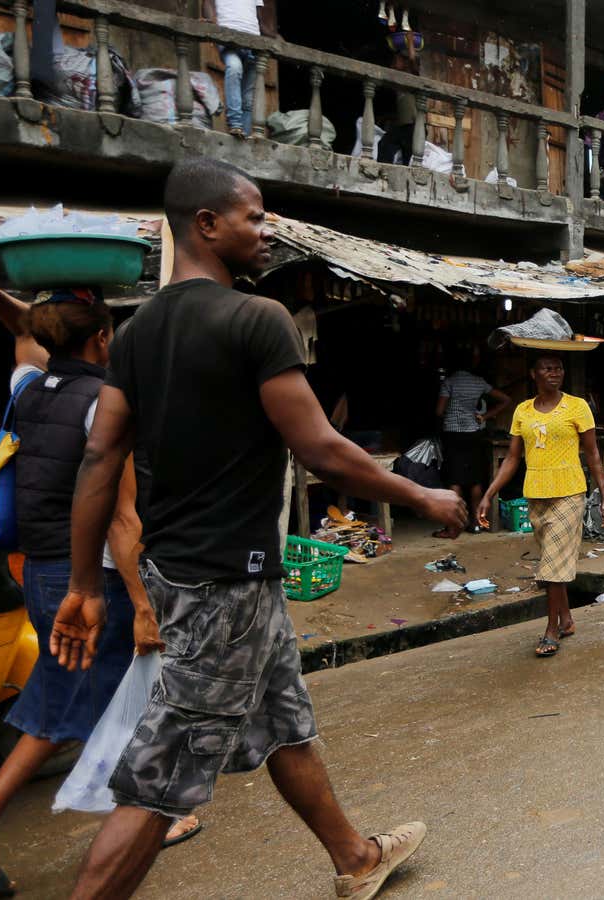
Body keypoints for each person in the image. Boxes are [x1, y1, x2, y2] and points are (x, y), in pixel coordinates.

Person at [50, 158, 467, 898]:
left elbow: (98, 453)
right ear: (206, 225)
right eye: (256, 216)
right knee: (161, 777)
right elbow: (322, 449)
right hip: (223, 584)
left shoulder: (138, 333)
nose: (267, 231)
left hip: (188, 573)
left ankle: (355, 859)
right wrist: (420, 495)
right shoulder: (255, 318)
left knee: (281, 719)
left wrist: (86, 583)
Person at [0, 252, 199, 896]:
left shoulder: (28, 388)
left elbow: (27, 331)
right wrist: (143, 604)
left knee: (96, 692)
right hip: (91, 582)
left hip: (41, 574)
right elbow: (123, 521)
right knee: (66, 704)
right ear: (102, 338)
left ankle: (152, 807)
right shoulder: (105, 405)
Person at [478, 355, 604, 657]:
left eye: (559, 368)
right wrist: (489, 493)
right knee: (556, 564)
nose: (554, 373)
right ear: (533, 374)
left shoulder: (577, 407)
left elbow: (592, 455)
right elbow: (513, 458)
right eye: (547, 368)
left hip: (570, 493)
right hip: (536, 494)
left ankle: (551, 630)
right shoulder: (522, 411)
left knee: (550, 565)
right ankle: (566, 619)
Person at [435, 347, 512, 537]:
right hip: (473, 433)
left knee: (455, 477)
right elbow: (506, 399)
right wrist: (484, 416)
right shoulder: (479, 382)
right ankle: (477, 523)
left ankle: (455, 524)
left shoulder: (450, 382)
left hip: (453, 433)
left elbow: (439, 411)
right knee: (474, 478)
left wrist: (450, 413)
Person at [205, 0, 267, 138]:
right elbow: (208, 3)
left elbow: (259, 17)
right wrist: (212, 24)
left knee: (248, 96)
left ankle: (243, 133)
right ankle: (235, 124)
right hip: (228, 37)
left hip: (253, 41)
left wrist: (266, 40)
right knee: (234, 67)